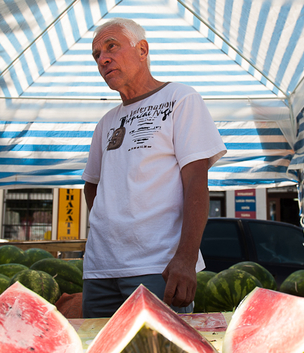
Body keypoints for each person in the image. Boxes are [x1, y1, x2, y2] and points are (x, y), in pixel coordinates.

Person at [81, 18, 227, 318]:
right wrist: (107, 228)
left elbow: (197, 183)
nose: (103, 58)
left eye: (111, 47)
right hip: (100, 269)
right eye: (97, 55)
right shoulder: (106, 122)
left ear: (142, 49)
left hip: (157, 268)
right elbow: (92, 184)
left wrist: (186, 259)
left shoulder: (180, 98)